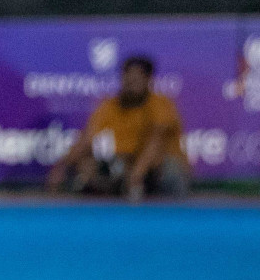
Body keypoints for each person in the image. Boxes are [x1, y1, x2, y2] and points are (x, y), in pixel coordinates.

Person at [46, 55, 192, 202]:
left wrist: (137, 174)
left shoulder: (160, 105)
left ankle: (176, 212)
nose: (131, 83)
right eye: (127, 78)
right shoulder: (110, 106)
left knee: (170, 169)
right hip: (124, 167)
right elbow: (87, 140)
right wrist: (62, 167)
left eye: (137, 78)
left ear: (148, 79)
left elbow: (155, 144)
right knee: (88, 165)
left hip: (155, 169)